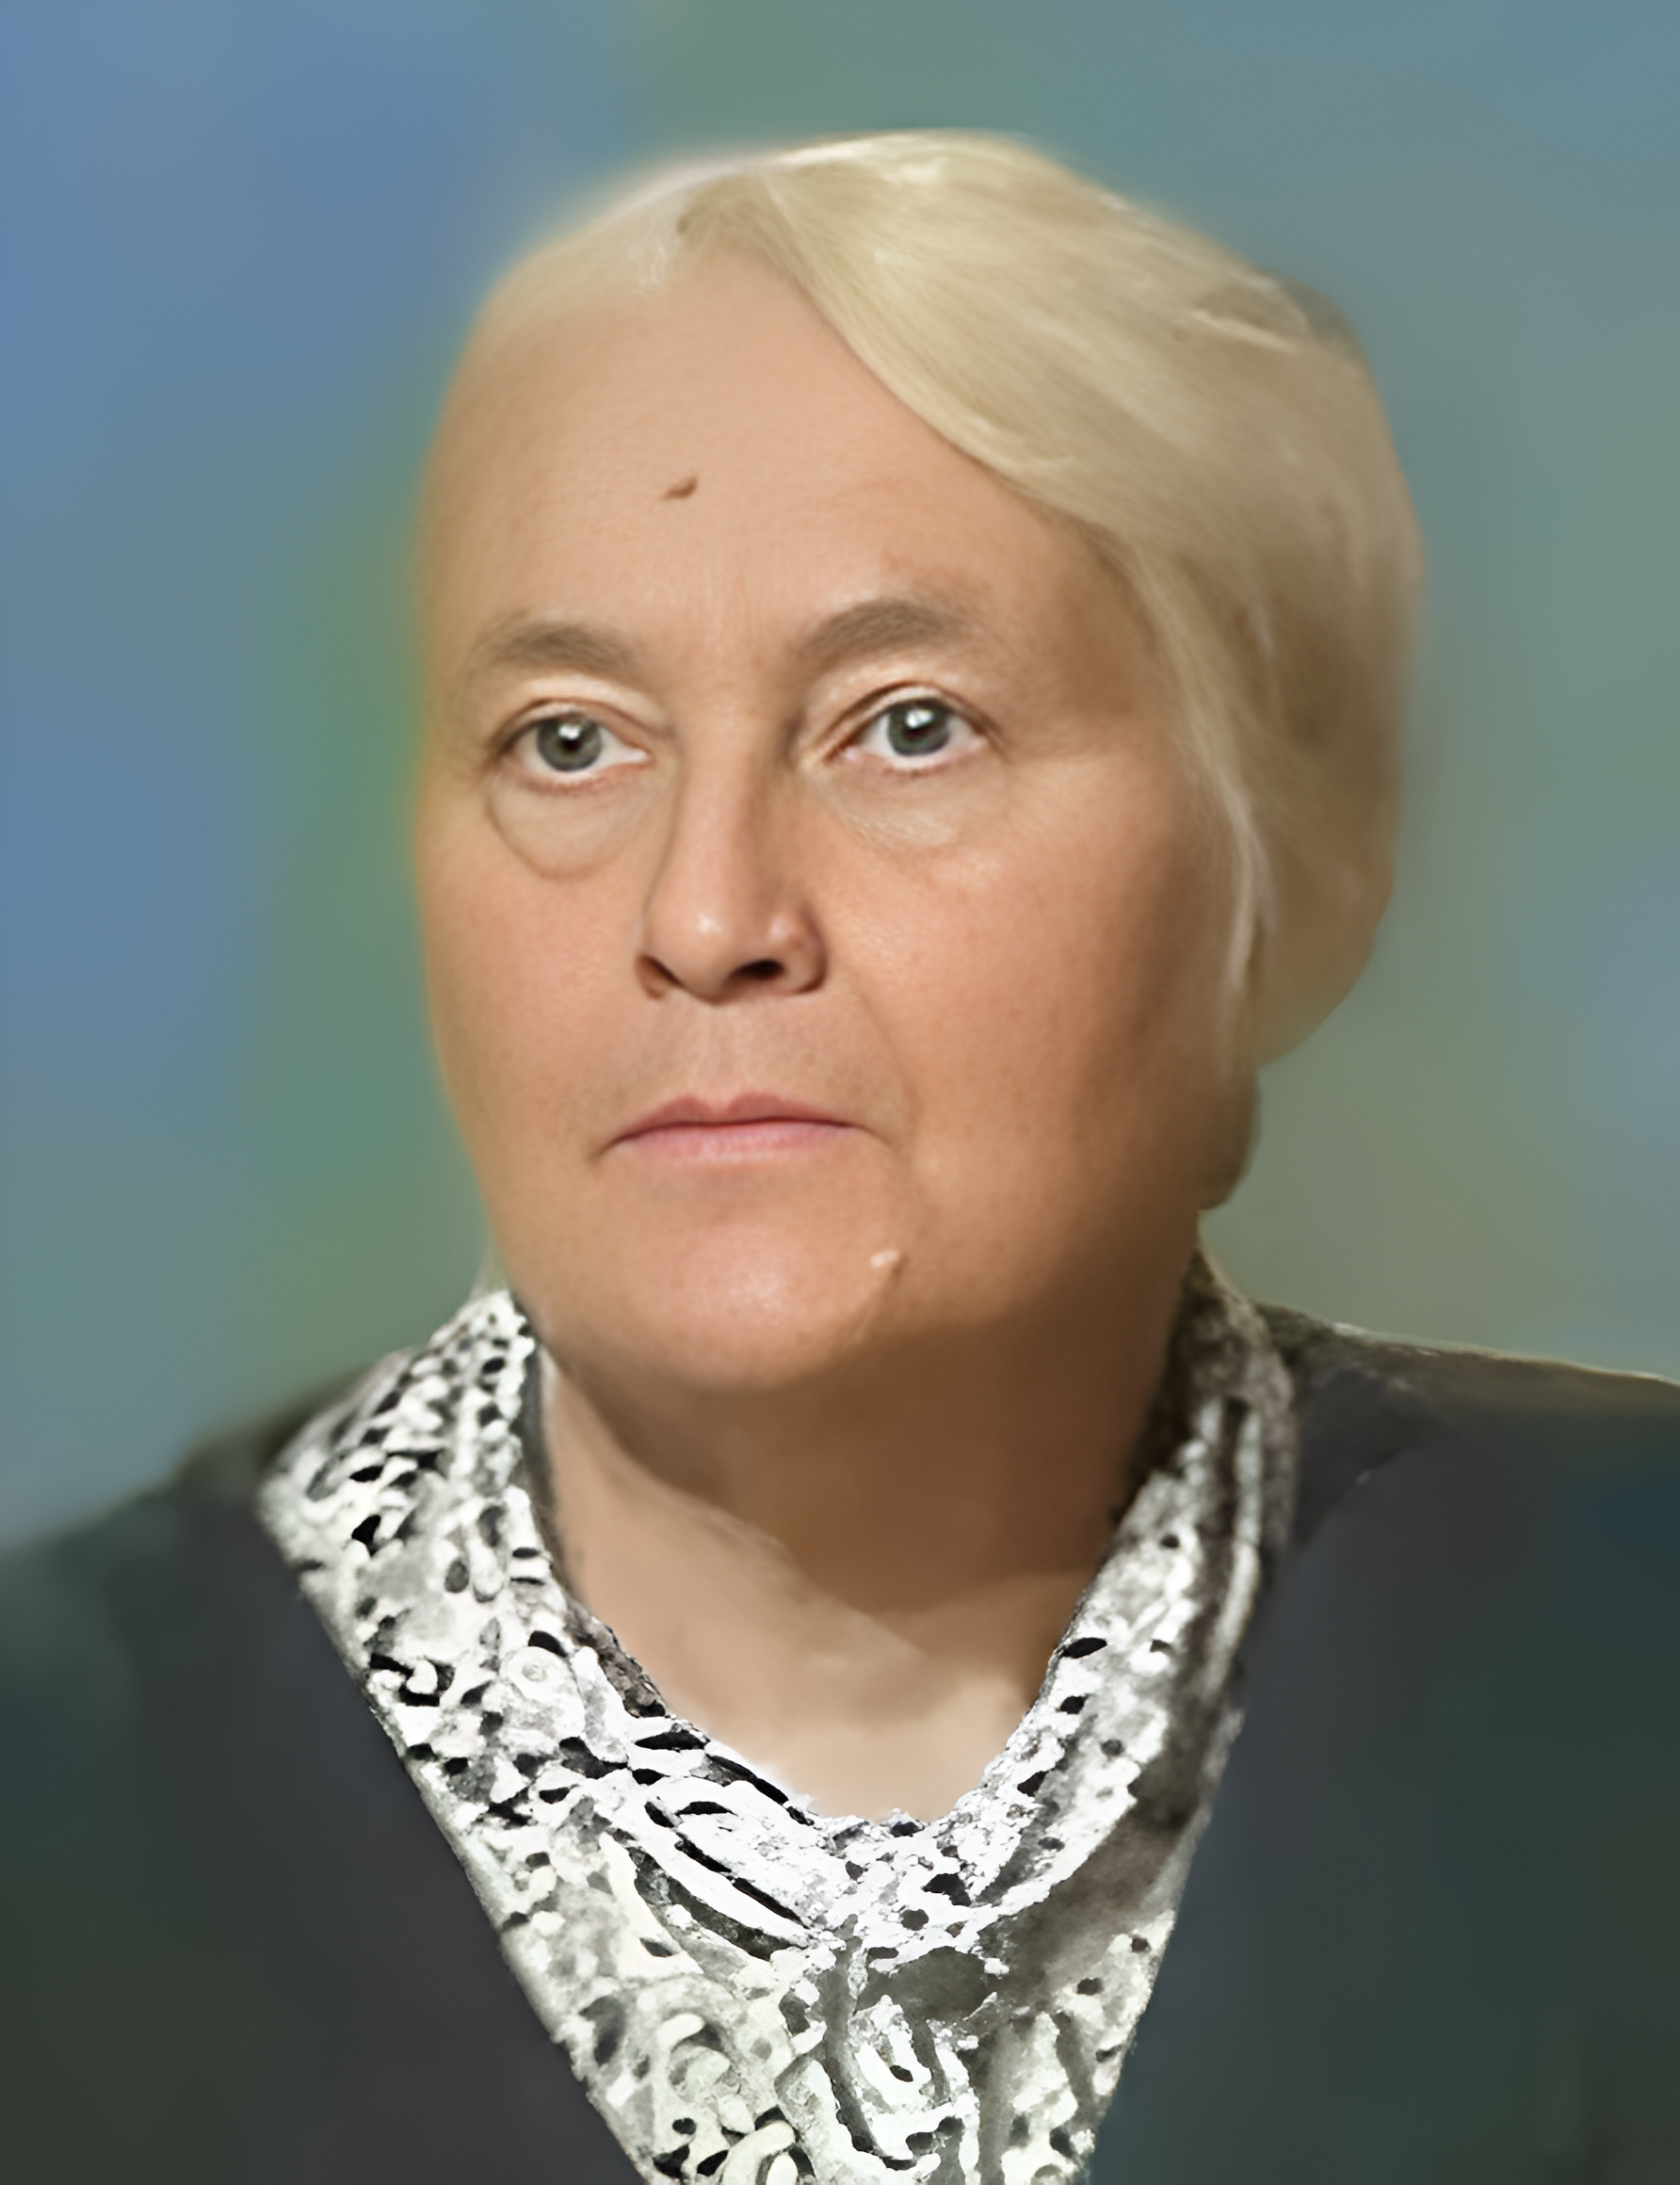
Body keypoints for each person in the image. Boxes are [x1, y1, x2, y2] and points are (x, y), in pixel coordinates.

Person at [3, 131, 1677, 2185]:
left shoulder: (1626, 1678)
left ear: (1295, 880)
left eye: (907, 724)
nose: (706, 913)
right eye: (567, 739)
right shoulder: (58, 1816)